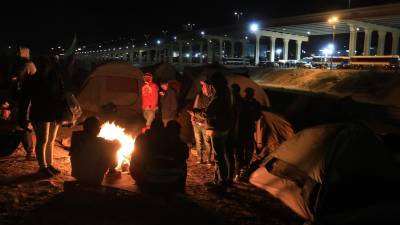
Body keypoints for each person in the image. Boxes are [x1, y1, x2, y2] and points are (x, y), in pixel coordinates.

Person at [19, 56, 64, 177]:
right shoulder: (32, 80)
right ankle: (43, 167)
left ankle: (49, 165)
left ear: (49, 66)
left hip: (53, 113)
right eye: (41, 65)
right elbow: (24, 100)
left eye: (46, 65)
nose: (43, 68)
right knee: (43, 140)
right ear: (37, 67)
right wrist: (23, 117)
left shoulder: (55, 78)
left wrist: (61, 114)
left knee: (50, 140)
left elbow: (61, 95)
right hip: (39, 114)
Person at [202, 73, 233, 192]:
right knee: (219, 156)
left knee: (219, 157)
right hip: (223, 128)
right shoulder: (225, 94)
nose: (210, 88)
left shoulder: (219, 97)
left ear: (215, 85)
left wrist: (196, 112)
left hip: (218, 129)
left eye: (211, 85)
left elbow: (208, 112)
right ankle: (217, 180)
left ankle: (221, 183)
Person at [70, 116, 120, 186]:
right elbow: (113, 164)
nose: (100, 129)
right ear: (97, 129)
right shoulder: (102, 142)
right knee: (111, 151)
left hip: (77, 175)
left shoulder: (76, 137)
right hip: (94, 179)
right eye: (99, 128)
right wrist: (114, 148)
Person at [8, 47, 36, 160]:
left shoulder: (27, 65)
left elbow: (18, 78)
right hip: (26, 97)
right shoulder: (29, 64)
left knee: (25, 123)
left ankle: (29, 151)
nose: (17, 56)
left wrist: (14, 79)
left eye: (18, 54)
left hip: (26, 97)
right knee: (24, 123)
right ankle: (29, 150)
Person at [235, 87, 262, 182]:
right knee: (239, 152)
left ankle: (243, 171)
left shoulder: (254, 104)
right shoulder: (241, 102)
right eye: (246, 93)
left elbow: (258, 116)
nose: (246, 94)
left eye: (248, 93)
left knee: (247, 152)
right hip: (241, 131)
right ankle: (238, 172)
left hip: (248, 131)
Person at [189, 81, 213, 164]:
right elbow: (194, 108)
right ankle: (200, 158)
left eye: (204, 86)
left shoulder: (211, 98)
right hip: (196, 123)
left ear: (209, 87)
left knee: (207, 142)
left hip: (205, 124)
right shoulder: (199, 96)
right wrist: (192, 118)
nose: (202, 88)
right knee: (198, 141)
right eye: (202, 86)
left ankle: (209, 159)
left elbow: (208, 113)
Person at [226, 83, 243, 184]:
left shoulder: (236, 102)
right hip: (236, 132)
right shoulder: (237, 101)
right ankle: (235, 174)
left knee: (232, 154)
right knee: (236, 154)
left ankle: (232, 176)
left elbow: (236, 119)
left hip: (235, 132)